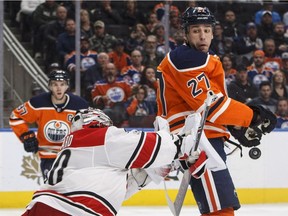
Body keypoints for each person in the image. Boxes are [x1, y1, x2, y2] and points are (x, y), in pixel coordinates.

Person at [156, 6, 277, 215]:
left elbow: (210, 101)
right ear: (186, 33)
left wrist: (233, 124)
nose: (202, 35)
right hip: (196, 141)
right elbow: (209, 106)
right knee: (220, 209)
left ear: (213, 32)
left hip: (202, 137)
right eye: (195, 30)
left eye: (206, 29)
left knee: (221, 205)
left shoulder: (200, 57)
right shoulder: (185, 58)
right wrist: (252, 116)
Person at [21, 107, 202, 215]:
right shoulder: (97, 136)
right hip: (73, 210)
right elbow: (149, 145)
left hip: (42, 208)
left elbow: (126, 184)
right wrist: (180, 143)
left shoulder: (80, 148)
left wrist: (172, 164)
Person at [9, 70, 89, 178]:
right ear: (50, 86)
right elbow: (15, 117)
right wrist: (25, 136)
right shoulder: (38, 103)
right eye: (55, 84)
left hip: (72, 156)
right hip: (48, 157)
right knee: (54, 188)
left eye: (62, 84)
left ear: (67, 86)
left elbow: (90, 126)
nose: (58, 88)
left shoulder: (80, 104)